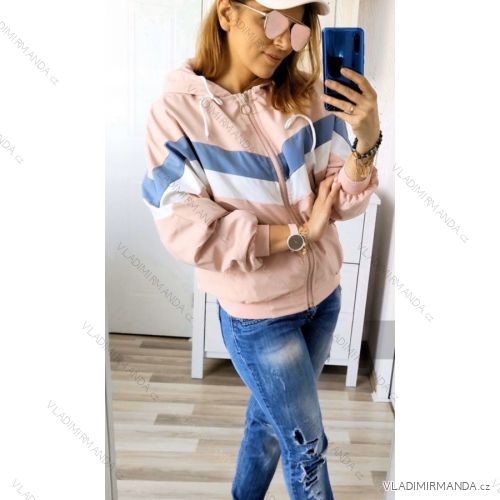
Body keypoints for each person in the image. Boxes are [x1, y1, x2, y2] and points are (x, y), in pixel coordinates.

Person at [141, 0, 381, 498]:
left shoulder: (307, 96)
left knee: (271, 424)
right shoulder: (176, 113)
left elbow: (339, 198)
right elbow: (187, 229)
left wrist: (366, 139)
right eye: (271, 20)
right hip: (259, 317)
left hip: (324, 298)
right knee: (308, 449)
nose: (284, 41)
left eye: (298, 29)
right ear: (227, 13)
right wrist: (298, 234)